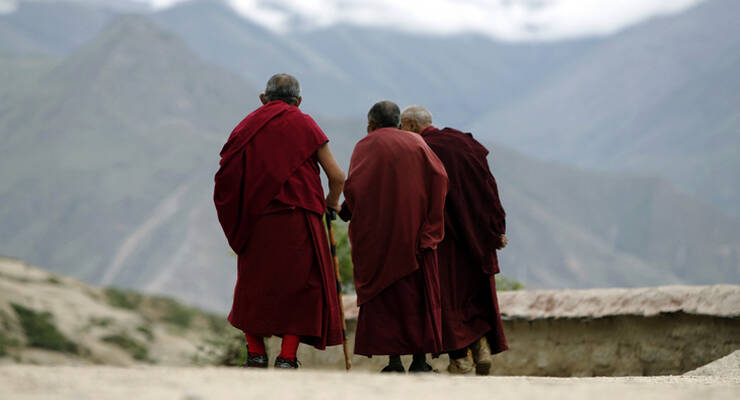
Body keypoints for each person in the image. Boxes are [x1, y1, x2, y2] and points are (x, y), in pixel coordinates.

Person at [214, 74, 345, 369]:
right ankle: (287, 358)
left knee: (253, 286)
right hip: (301, 219)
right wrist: (330, 204)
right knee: (301, 288)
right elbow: (337, 177)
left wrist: (241, 214)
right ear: (298, 101)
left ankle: (255, 353)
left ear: (264, 98)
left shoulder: (247, 126)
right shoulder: (305, 123)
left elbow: (226, 177)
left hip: (258, 220)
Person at [340, 101, 448, 373]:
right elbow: (440, 179)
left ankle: (394, 361)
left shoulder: (365, 146)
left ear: (370, 125)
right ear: (398, 123)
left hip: (377, 239)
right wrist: (431, 227)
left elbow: (354, 187)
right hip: (413, 237)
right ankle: (420, 361)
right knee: (416, 299)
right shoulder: (417, 144)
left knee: (387, 299)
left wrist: (345, 211)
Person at [400, 105, 508, 376]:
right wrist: (496, 227)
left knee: (448, 299)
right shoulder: (463, 142)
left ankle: (460, 359)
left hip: (444, 237)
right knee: (474, 293)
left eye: (403, 127)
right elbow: (488, 186)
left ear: (412, 125)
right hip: (476, 234)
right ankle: (481, 345)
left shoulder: (421, 149)